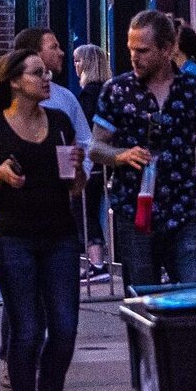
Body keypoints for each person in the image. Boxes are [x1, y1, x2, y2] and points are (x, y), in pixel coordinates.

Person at [90, 11, 196, 391]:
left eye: (144, 50)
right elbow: (94, 146)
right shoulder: (116, 91)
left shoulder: (192, 89)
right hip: (136, 214)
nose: (134, 56)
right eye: (130, 48)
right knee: (143, 309)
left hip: (184, 209)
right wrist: (120, 155)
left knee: (192, 303)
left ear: (168, 50)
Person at [0, 50, 86, 391]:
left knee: (66, 328)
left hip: (60, 236)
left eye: (47, 72)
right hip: (13, 238)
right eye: (37, 73)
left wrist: (79, 171)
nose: (47, 78)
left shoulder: (60, 123)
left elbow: (74, 187)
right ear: (15, 81)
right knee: (28, 329)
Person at [72, 43, 112, 281]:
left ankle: (97, 263)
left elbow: (85, 128)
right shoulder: (108, 91)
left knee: (84, 209)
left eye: (78, 61)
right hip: (105, 160)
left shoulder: (88, 95)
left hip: (92, 162)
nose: (75, 66)